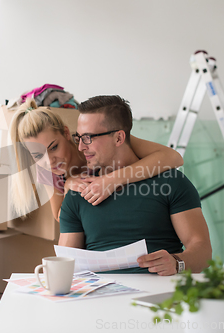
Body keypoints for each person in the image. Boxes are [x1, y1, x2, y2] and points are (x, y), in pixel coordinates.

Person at [58, 95, 212, 276]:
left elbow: (203, 252)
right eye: (79, 138)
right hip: (99, 298)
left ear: (118, 138)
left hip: (160, 295)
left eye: (88, 138)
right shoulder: (78, 193)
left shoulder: (171, 182)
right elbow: (64, 266)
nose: (81, 147)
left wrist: (177, 262)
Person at [9, 98, 184, 222]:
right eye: (38, 155)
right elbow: (60, 217)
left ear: (66, 133)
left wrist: (111, 180)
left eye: (54, 147)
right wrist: (69, 184)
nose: (50, 161)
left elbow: (173, 157)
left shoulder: (97, 141)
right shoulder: (47, 171)